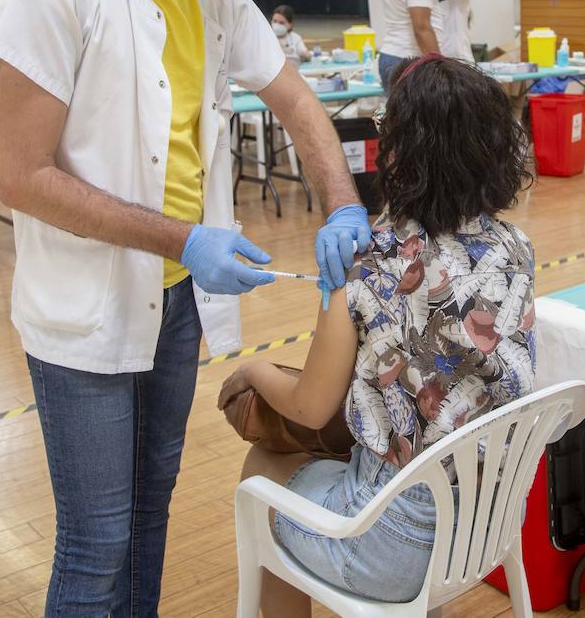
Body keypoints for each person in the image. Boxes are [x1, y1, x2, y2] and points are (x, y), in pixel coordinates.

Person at [0, 0, 373, 615]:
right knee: (95, 543)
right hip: (85, 311)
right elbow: (23, 176)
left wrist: (342, 202)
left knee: (150, 513)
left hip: (174, 309)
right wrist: (181, 240)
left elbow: (298, 104)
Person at [223, 55, 536, 615]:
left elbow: (311, 407)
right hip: (485, 528)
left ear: (396, 153)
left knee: (261, 473)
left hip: (392, 550)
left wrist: (252, 370)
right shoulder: (516, 248)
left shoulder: (367, 268)